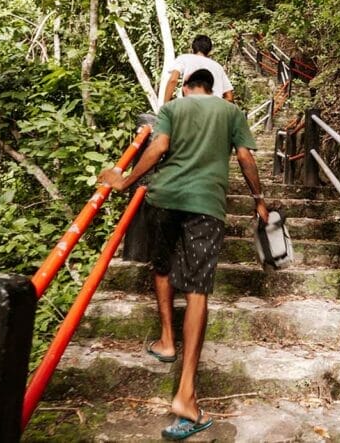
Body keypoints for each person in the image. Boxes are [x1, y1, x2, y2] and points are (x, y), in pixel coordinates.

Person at [99, 68, 269, 440]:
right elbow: (245, 158)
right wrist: (259, 200)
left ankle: (166, 340)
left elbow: (158, 147)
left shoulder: (173, 108)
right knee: (197, 290)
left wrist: (126, 181)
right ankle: (186, 394)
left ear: (188, 88)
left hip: (164, 197)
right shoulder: (231, 112)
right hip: (206, 205)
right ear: (212, 89)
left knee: (162, 265)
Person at [162, 34, 234, 103]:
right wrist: (216, 105)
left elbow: (173, 80)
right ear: (209, 51)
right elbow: (229, 97)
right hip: (213, 109)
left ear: (193, 48)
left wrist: (165, 104)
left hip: (190, 106)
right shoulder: (218, 67)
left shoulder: (184, 58)